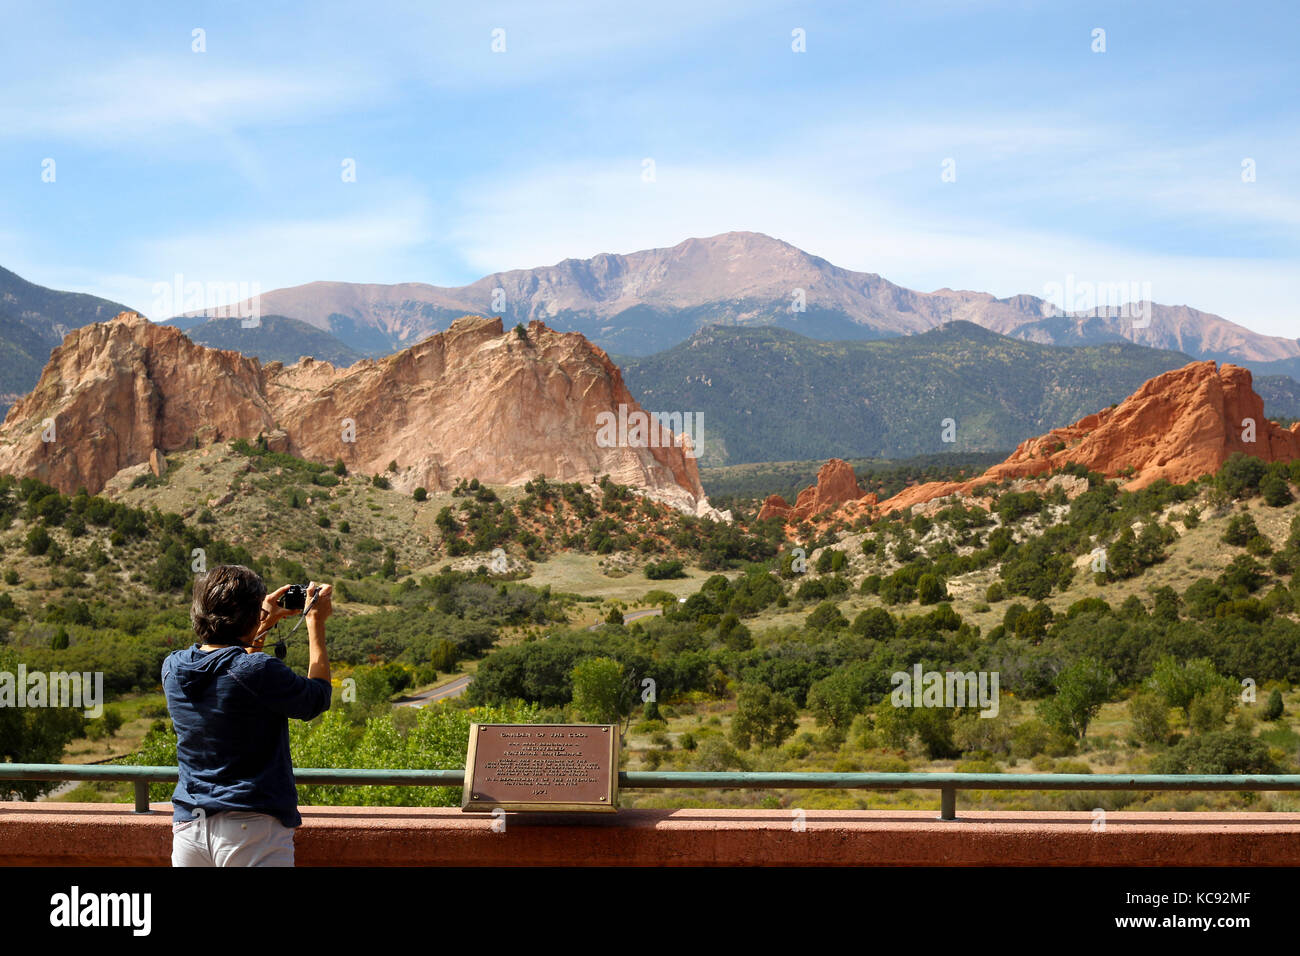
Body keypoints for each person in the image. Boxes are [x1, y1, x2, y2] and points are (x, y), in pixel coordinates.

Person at [162, 565, 333, 867]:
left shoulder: (173, 668)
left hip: (190, 828)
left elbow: (236, 670)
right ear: (250, 615)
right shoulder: (258, 670)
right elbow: (316, 699)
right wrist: (315, 623)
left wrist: (262, 622)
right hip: (250, 828)